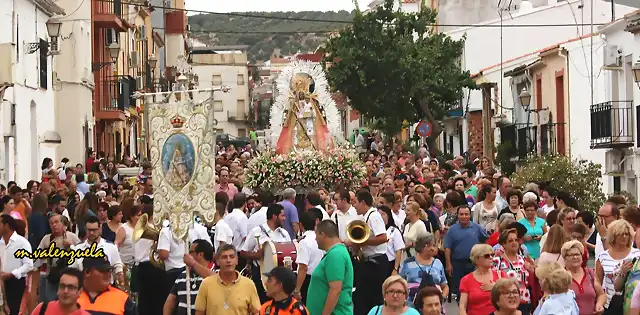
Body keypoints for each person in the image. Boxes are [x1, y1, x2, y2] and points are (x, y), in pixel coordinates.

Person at [241, 204, 291, 303]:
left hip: (280, 277)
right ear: (274, 216)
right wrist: (256, 256)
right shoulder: (256, 232)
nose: (284, 218)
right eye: (282, 215)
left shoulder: (284, 233)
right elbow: (243, 252)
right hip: (261, 275)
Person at [351, 191, 389, 314]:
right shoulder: (365, 217)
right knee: (363, 296)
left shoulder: (374, 216)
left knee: (373, 297)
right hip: (369, 262)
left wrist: (362, 242)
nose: (354, 206)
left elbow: (383, 237)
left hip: (376, 263)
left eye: (355, 202)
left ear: (363, 202)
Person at [194, 244, 260, 315]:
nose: (228, 260)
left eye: (232, 257)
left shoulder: (248, 284)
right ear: (218, 261)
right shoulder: (206, 284)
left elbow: (255, 312)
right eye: (224, 257)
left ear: (237, 260)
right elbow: (199, 313)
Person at [306, 220, 354, 315]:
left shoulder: (336, 254)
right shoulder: (335, 253)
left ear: (323, 235)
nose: (315, 239)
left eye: (316, 235)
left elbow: (335, 289)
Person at [444, 205, 489, 300]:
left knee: (474, 287)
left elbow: (486, 240)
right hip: (457, 263)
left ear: (470, 215)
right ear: (458, 216)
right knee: (460, 289)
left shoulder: (477, 228)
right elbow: (447, 248)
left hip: (474, 263)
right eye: (461, 214)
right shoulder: (452, 230)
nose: (464, 216)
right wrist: (448, 264)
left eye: (466, 214)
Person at [164, 239, 216, 315]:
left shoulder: (217, 273)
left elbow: (214, 278)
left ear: (200, 254)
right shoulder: (183, 275)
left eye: (190, 252)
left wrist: (193, 263)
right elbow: (170, 302)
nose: (187, 255)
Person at [0, 214, 34, 315]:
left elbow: (28, 265)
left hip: (15, 283)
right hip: (1, 282)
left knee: (12, 311)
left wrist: (11, 274)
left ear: (6, 225)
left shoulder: (22, 242)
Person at [458, 244, 506, 315]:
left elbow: (512, 295)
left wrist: (497, 287)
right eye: (486, 256)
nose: (490, 257)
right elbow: (462, 307)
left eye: (492, 255)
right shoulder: (466, 280)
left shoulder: (500, 275)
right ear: (476, 259)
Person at [562, 240, 606, 315]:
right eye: (571, 255)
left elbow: (601, 294)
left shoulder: (590, 273)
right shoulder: (560, 276)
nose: (575, 257)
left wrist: (599, 304)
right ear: (565, 258)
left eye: (577, 254)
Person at [294, 211, 323, 304]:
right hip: (321, 279)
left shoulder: (304, 242)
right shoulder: (321, 238)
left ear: (301, 225)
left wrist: (297, 290)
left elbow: (303, 267)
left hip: (308, 281)